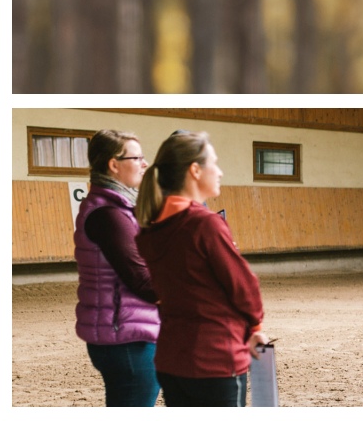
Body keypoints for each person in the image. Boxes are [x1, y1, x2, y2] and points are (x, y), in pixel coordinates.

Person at [134, 131, 268, 407]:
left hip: (172, 360)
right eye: (214, 163)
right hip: (215, 359)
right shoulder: (205, 224)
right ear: (194, 170)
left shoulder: (150, 231)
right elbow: (244, 285)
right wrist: (255, 325)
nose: (219, 171)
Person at [74, 130, 160, 406]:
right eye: (138, 157)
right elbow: (142, 280)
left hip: (127, 331)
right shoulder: (109, 215)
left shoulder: (120, 209)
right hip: (124, 338)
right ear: (114, 164)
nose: (145, 164)